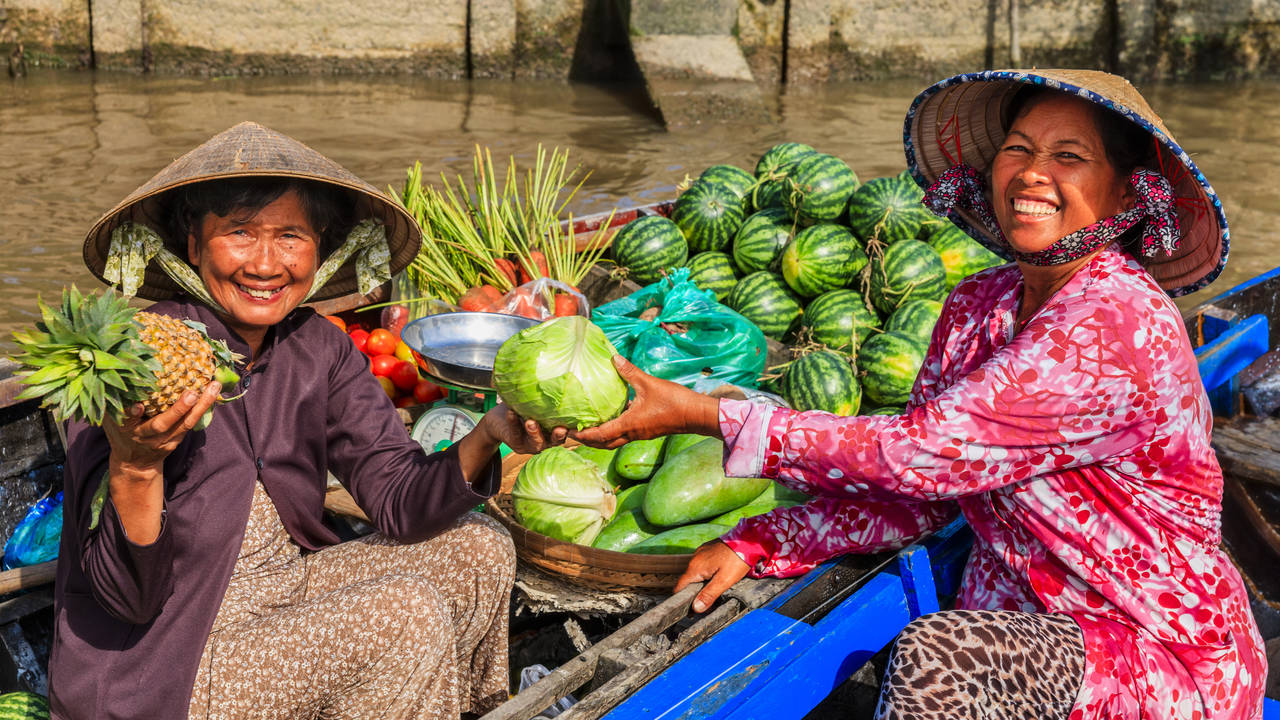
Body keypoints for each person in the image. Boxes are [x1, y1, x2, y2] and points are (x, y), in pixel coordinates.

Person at [575, 70, 1267, 719]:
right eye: (1019, 149)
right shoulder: (977, 307)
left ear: (1125, 196)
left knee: (937, 661)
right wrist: (765, 537)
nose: (1032, 173)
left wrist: (704, 412)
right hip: (1019, 627)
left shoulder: (1116, 324)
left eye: (1069, 157)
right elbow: (920, 498)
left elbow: (920, 455)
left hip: (1151, 653)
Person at [52, 122, 563, 719]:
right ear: (193, 246)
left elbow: (397, 499)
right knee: (404, 615)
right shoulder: (131, 358)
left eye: (290, 235)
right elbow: (125, 601)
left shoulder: (318, 348)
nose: (266, 263)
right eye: (239, 234)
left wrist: (489, 432)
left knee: (480, 548)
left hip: (279, 591)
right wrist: (136, 467)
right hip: (163, 655)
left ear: (319, 248)